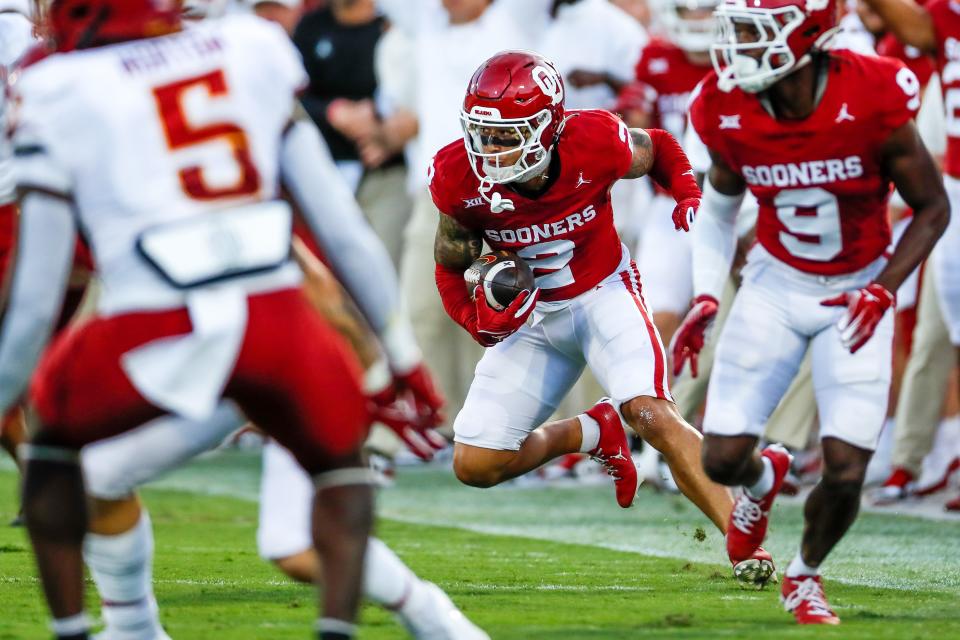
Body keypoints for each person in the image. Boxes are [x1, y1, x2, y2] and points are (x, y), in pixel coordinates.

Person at [6, 3, 441, 639]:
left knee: (49, 443)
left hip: (154, 325)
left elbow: (36, 298)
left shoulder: (59, 86)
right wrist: (400, 355)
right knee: (339, 467)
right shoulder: (248, 44)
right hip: (279, 322)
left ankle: (77, 629)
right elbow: (341, 230)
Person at [430, 50, 775, 587]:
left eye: (506, 135)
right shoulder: (457, 178)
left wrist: (685, 192)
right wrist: (479, 322)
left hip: (602, 295)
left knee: (654, 415)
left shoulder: (593, 141)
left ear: (548, 127)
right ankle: (593, 430)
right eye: (482, 133)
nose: (490, 150)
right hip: (532, 321)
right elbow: (450, 268)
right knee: (475, 465)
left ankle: (743, 543)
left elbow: (657, 145)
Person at [673, 0, 948, 624]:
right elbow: (717, 209)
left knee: (848, 468)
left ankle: (804, 575)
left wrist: (883, 288)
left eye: (752, 32)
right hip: (775, 284)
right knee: (721, 459)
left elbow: (932, 207)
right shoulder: (725, 105)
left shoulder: (872, 91)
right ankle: (762, 482)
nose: (735, 47)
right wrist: (708, 293)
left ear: (805, 33)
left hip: (856, 291)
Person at [858, 0, 960, 510]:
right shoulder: (943, 18)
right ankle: (920, 456)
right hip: (955, 189)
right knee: (933, 332)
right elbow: (906, 22)